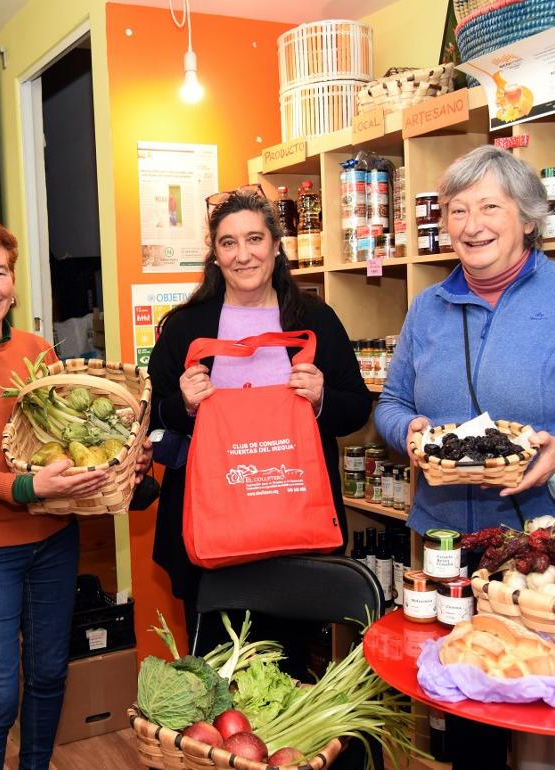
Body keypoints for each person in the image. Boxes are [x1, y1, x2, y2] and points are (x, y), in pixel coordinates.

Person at [374, 146, 555, 770]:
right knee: (470, 700)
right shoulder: (429, 308)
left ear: (527, 218)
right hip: (455, 545)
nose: (472, 223)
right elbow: (390, 403)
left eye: (490, 206)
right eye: (457, 209)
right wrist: (410, 428)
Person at [0, 218, 150, 770]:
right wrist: (28, 486)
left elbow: (63, 439)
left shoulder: (37, 350)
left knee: (47, 676)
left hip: (52, 538)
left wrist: (123, 458)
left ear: (13, 281)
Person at [147, 184, 372, 655]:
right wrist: (180, 406)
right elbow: (151, 423)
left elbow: (356, 408)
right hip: (211, 533)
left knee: (293, 672)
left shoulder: (315, 319)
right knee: (215, 677)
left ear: (275, 246)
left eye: (254, 239)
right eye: (228, 243)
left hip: (295, 528)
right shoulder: (185, 327)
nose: (243, 255)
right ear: (215, 254)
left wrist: (321, 399)